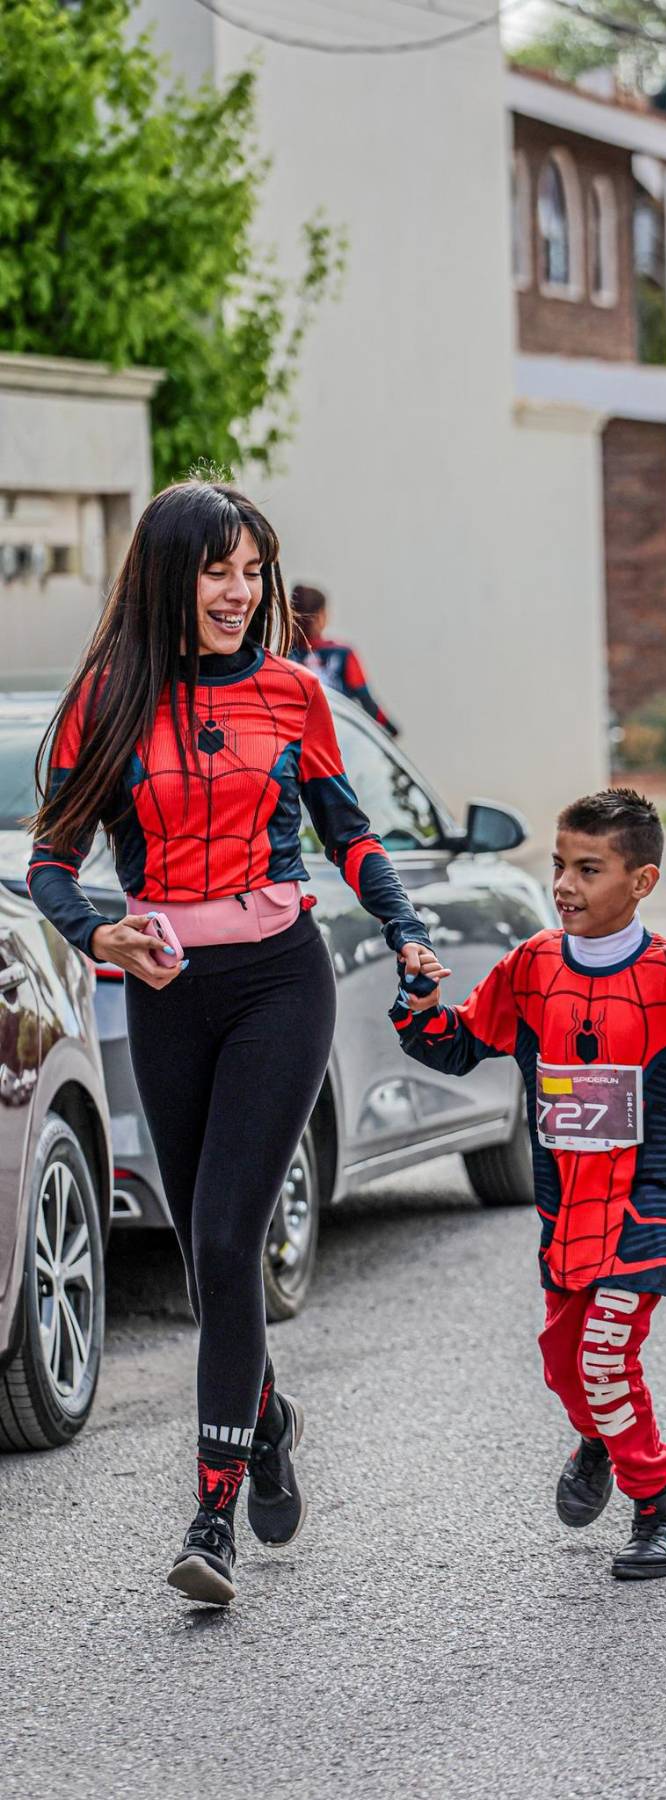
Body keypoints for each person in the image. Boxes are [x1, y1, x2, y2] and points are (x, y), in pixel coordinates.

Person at [27, 480, 447, 1608]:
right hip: (167, 991)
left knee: (225, 1235)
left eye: (253, 571)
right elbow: (51, 862)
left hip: (278, 982)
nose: (240, 592)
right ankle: (266, 1420)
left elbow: (349, 835)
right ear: (171, 575)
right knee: (202, 1247)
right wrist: (101, 932)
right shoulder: (107, 699)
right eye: (218, 570)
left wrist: (405, 927)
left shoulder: (294, 692)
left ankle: (210, 1517)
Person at [391, 789, 666, 1580]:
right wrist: (421, 1004)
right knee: (563, 1359)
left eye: (589, 869)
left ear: (642, 881)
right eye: (559, 865)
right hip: (569, 1201)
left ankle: (660, 1510)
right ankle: (601, 1437)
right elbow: (456, 1045)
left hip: (657, 1197)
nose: (563, 885)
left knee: (605, 1354)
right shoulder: (531, 967)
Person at [289, 582, 401, 738]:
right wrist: (391, 730)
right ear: (321, 616)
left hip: (295, 738)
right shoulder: (342, 654)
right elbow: (366, 700)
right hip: (335, 738)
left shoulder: (284, 656)